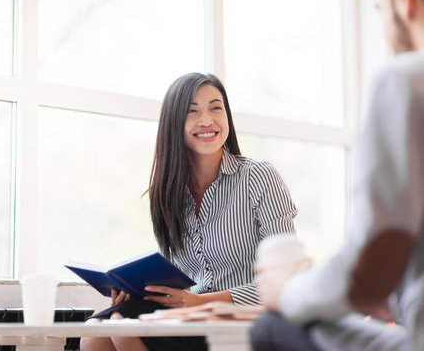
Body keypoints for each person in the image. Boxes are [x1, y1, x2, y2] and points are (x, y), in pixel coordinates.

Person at [252, 0, 424, 350]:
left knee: (272, 324)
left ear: (405, 1)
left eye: (379, 9)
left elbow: (371, 266)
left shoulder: (405, 80)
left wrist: (288, 290)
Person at [80, 72, 298, 351]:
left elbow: (286, 281)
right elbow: (177, 281)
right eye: (192, 111)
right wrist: (133, 289)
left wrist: (201, 301)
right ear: (174, 123)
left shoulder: (260, 178)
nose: (206, 120)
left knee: (122, 329)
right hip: (187, 318)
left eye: (215, 108)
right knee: (94, 332)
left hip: (244, 322)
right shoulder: (166, 194)